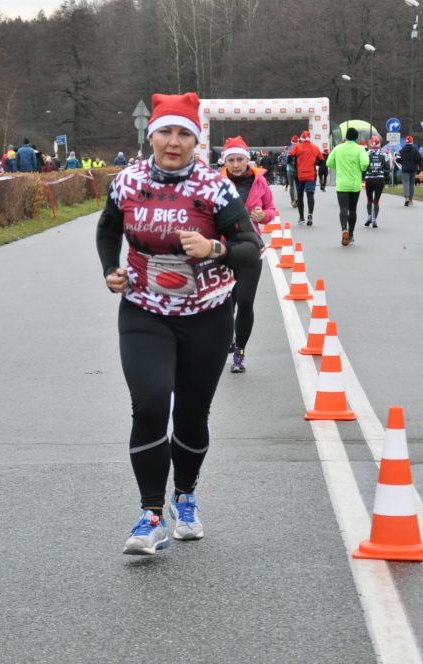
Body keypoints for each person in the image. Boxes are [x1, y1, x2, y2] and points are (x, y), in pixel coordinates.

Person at [95, 92, 264, 555]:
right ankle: (151, 516)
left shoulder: (214, 187)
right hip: (143, 310)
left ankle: (184, 496)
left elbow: (251, 249)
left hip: (206, 315)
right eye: (165, 132)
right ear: (151, 137)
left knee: (191, 414)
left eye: (184, 134)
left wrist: (214, 249)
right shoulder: (127, 181)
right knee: (150, 404)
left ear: (196, 141)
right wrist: (110, 269)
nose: (173, 142)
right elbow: (108, 227)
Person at [219, 136, 275, 373]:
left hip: (251, 249)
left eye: (239, 159)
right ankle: (226, 340)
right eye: (230, 160)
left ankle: (239, 352)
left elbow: (271, 209)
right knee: (225, 303)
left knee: (245, 301)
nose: (235, 164)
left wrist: (264, 216)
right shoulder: (215, 183)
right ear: (224, 162)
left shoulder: (260, 182)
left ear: (247, 160)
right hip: (222, 250)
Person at [326, 127, 369, 246]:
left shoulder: (338, 148)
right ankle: (350, 234)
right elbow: (365, 163)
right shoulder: (360, 149)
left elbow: (329, 162)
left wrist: (338, 167)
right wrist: (362, 168)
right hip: (355, 184)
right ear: (356, 138)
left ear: (346, 136)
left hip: (342, 184)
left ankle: (344, 229)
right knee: (352, 209)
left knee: (343, 209)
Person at [289, 130, 323, 225]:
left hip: (299, 175)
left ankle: (301, 217)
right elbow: (321, 161)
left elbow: (289, 157)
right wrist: (315, 162)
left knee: (300, 196)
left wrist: (294, 164)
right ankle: (310, 214)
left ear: (301, 138)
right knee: (310, 195)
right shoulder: (315, 148)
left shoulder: (297, 147)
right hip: (311, 175)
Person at [362, 135, 389, 229]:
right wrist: (384, 177)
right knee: (376, 201)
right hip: (379, 179)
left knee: (369, 199)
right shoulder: (384, 154)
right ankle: (374, 219)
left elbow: (363, 167)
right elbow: (387, 168)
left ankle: (369, 216)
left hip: (369, 179)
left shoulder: (366, 153)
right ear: (379, 144)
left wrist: (363, 177)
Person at [397, 135, 421, 206]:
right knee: (411, 184)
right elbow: (419, 158)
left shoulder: (401, 150)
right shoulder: (415, 149)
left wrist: (403, 162)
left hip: (405, 169)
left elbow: (398, 159)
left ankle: (406, 198)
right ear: (412, 141)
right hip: (413, 169)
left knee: (406, 183)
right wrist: (415, 163)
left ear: (406, 142)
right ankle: (410, 200)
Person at [285, 135, 299, 207]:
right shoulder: (300, 148)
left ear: (291, 141)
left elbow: (286, 159)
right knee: (298, 185)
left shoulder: (288, 149)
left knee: (291, 186)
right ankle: (298, 199)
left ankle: (293, 201)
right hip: (298, 169)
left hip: (289, 169)